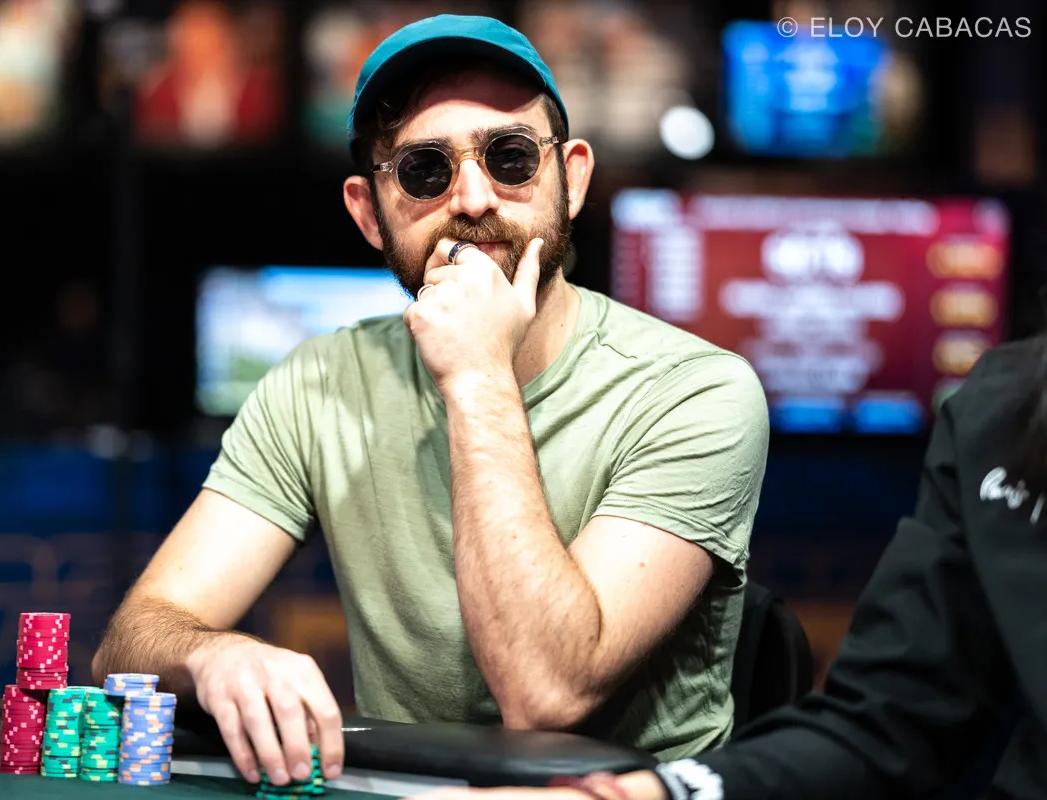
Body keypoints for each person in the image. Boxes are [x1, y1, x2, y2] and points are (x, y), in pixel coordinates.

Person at [92, 14, 768, 791]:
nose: (473, 199)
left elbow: (545, 695)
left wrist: (478, 374)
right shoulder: (321, 382)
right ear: (368, 213)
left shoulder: (695, 392)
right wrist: (213, 653)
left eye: (510, 157)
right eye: (424, 170)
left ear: (573, 178)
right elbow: (129, 643)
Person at [411, 333, 1047, 799]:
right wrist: (638, 794)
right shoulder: (1002, 410)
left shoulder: (700, 391)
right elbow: (888, 726)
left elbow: (546, 691)